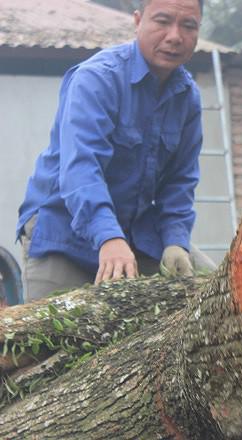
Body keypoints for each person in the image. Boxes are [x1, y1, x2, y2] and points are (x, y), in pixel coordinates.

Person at [16, 0, 214, 302]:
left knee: (218, 296)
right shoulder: (97, 79)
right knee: (50, 339)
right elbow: (81, 170)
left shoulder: (187, 97)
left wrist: (176, 241)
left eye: (189, 26)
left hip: (138, 231)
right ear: (137, 21)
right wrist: (109, 237)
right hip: (63, 229)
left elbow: (180, 181)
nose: (175, 36)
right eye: (162, 21)